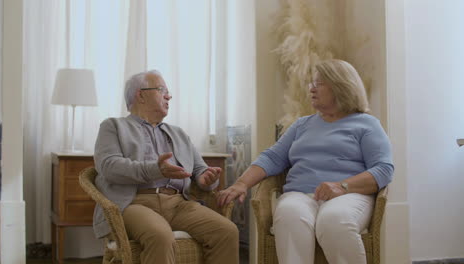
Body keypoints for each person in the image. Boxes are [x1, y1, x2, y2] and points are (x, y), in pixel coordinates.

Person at [218, 59, 394, 264]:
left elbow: (383, 169)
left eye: (318, 83)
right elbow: (272, 157)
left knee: (334, 220)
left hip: (350, 195)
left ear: (340, 85)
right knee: (289, 214)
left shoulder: (366, 124)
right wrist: (242, 183)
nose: (311, 88)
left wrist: (342, 186)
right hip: (300, 194)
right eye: (312, 83)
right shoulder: (302, 124)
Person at [93, 70, 239, 264]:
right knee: (160, 235)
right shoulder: (113, 126)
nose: (169, 96)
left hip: (178, 204)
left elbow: (199, 170)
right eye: (162, 90)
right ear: (141, 94)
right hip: (134, 203)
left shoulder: (178, 133)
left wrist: (207, 179)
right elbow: (109, 166)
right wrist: (156, 169)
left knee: (226, 231)